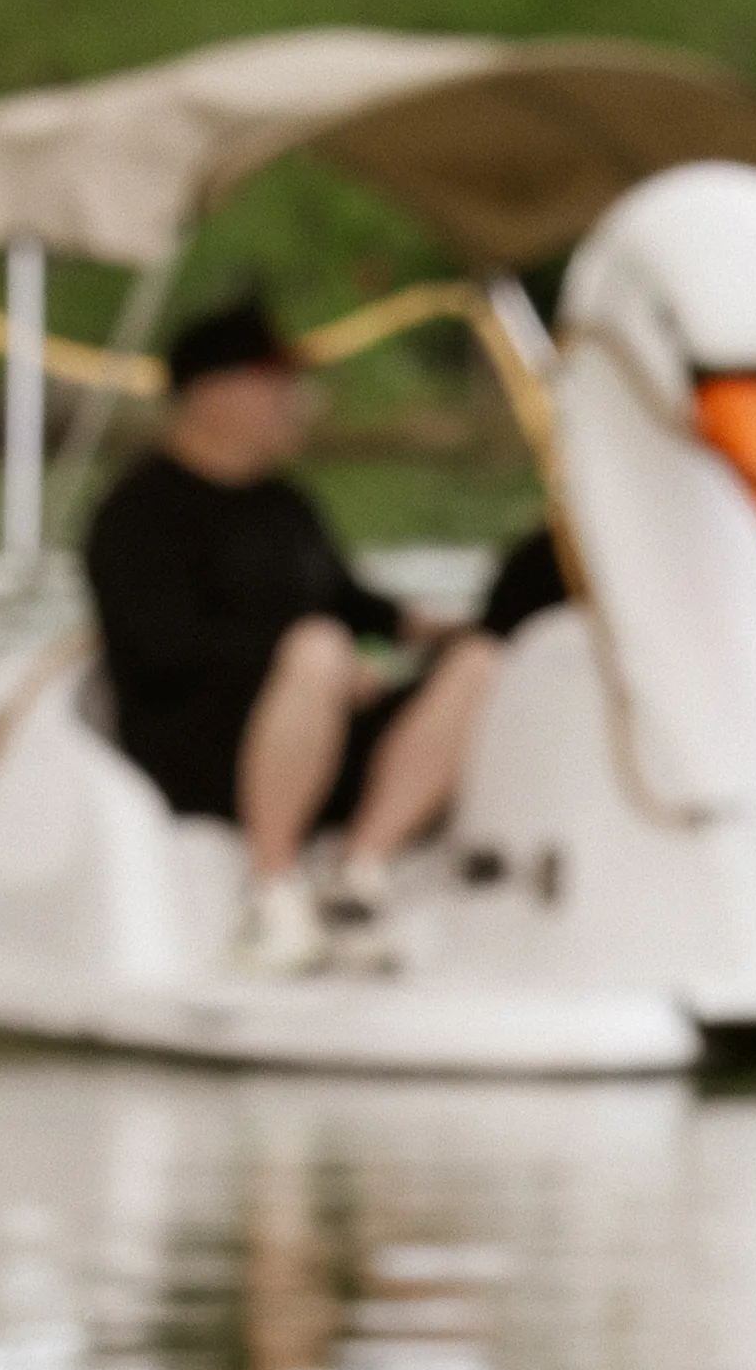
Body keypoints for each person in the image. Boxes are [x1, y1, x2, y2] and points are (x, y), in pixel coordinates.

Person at [81, 295, 512, 975]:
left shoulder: (285, 503)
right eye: (277, 383)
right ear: (214, 393)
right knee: (317, 647)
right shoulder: (139, 512)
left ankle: (358, 878)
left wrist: (436, 630)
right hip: (200, 745)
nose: (299, 401)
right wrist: (319, 661)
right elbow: (159, 650)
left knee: (481, 662)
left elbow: (351, 603)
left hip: (320, 721)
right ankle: (271, 891)